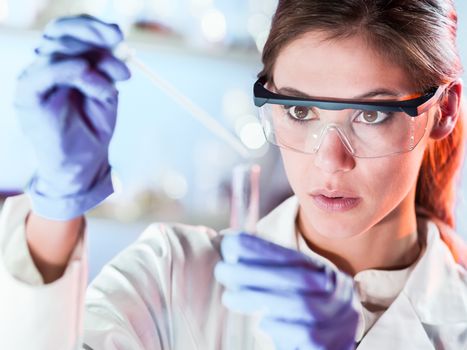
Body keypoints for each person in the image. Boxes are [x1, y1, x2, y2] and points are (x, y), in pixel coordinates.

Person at [1, 0, 467, 349]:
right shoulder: (169, 275)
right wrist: (56, 206)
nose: (329, 160)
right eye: (300, 109)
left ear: (443, 110)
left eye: (370, 116)